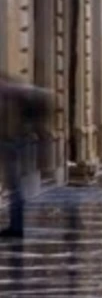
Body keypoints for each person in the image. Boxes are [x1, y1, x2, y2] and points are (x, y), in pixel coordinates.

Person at [0, 79, 50, 239]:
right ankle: (16, 225)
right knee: (15, 187)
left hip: (13, 143)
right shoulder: (16, 93)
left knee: (15, 187)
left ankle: (16, 227)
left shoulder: (11, 94)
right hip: (15, 142)